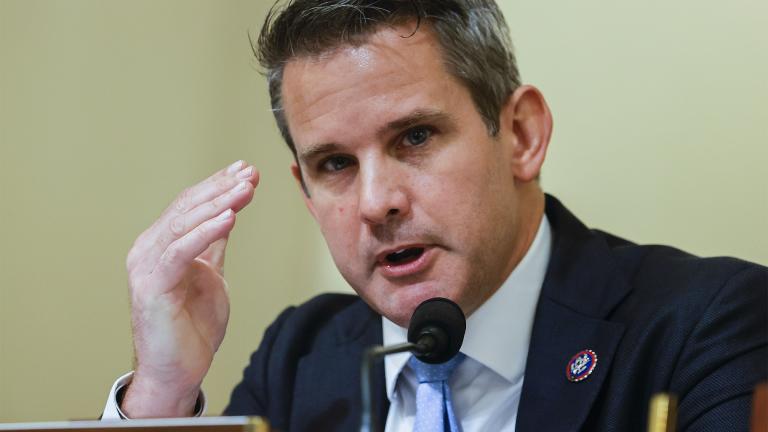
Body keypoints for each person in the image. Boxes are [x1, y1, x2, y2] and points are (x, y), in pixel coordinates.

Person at [102, 1, 767, 431]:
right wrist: (163, 389)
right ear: (305, 190)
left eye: (414, 138)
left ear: (522, 135)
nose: (375, 202)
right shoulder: (301, 355)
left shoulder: (707, 325)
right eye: (334, 163)